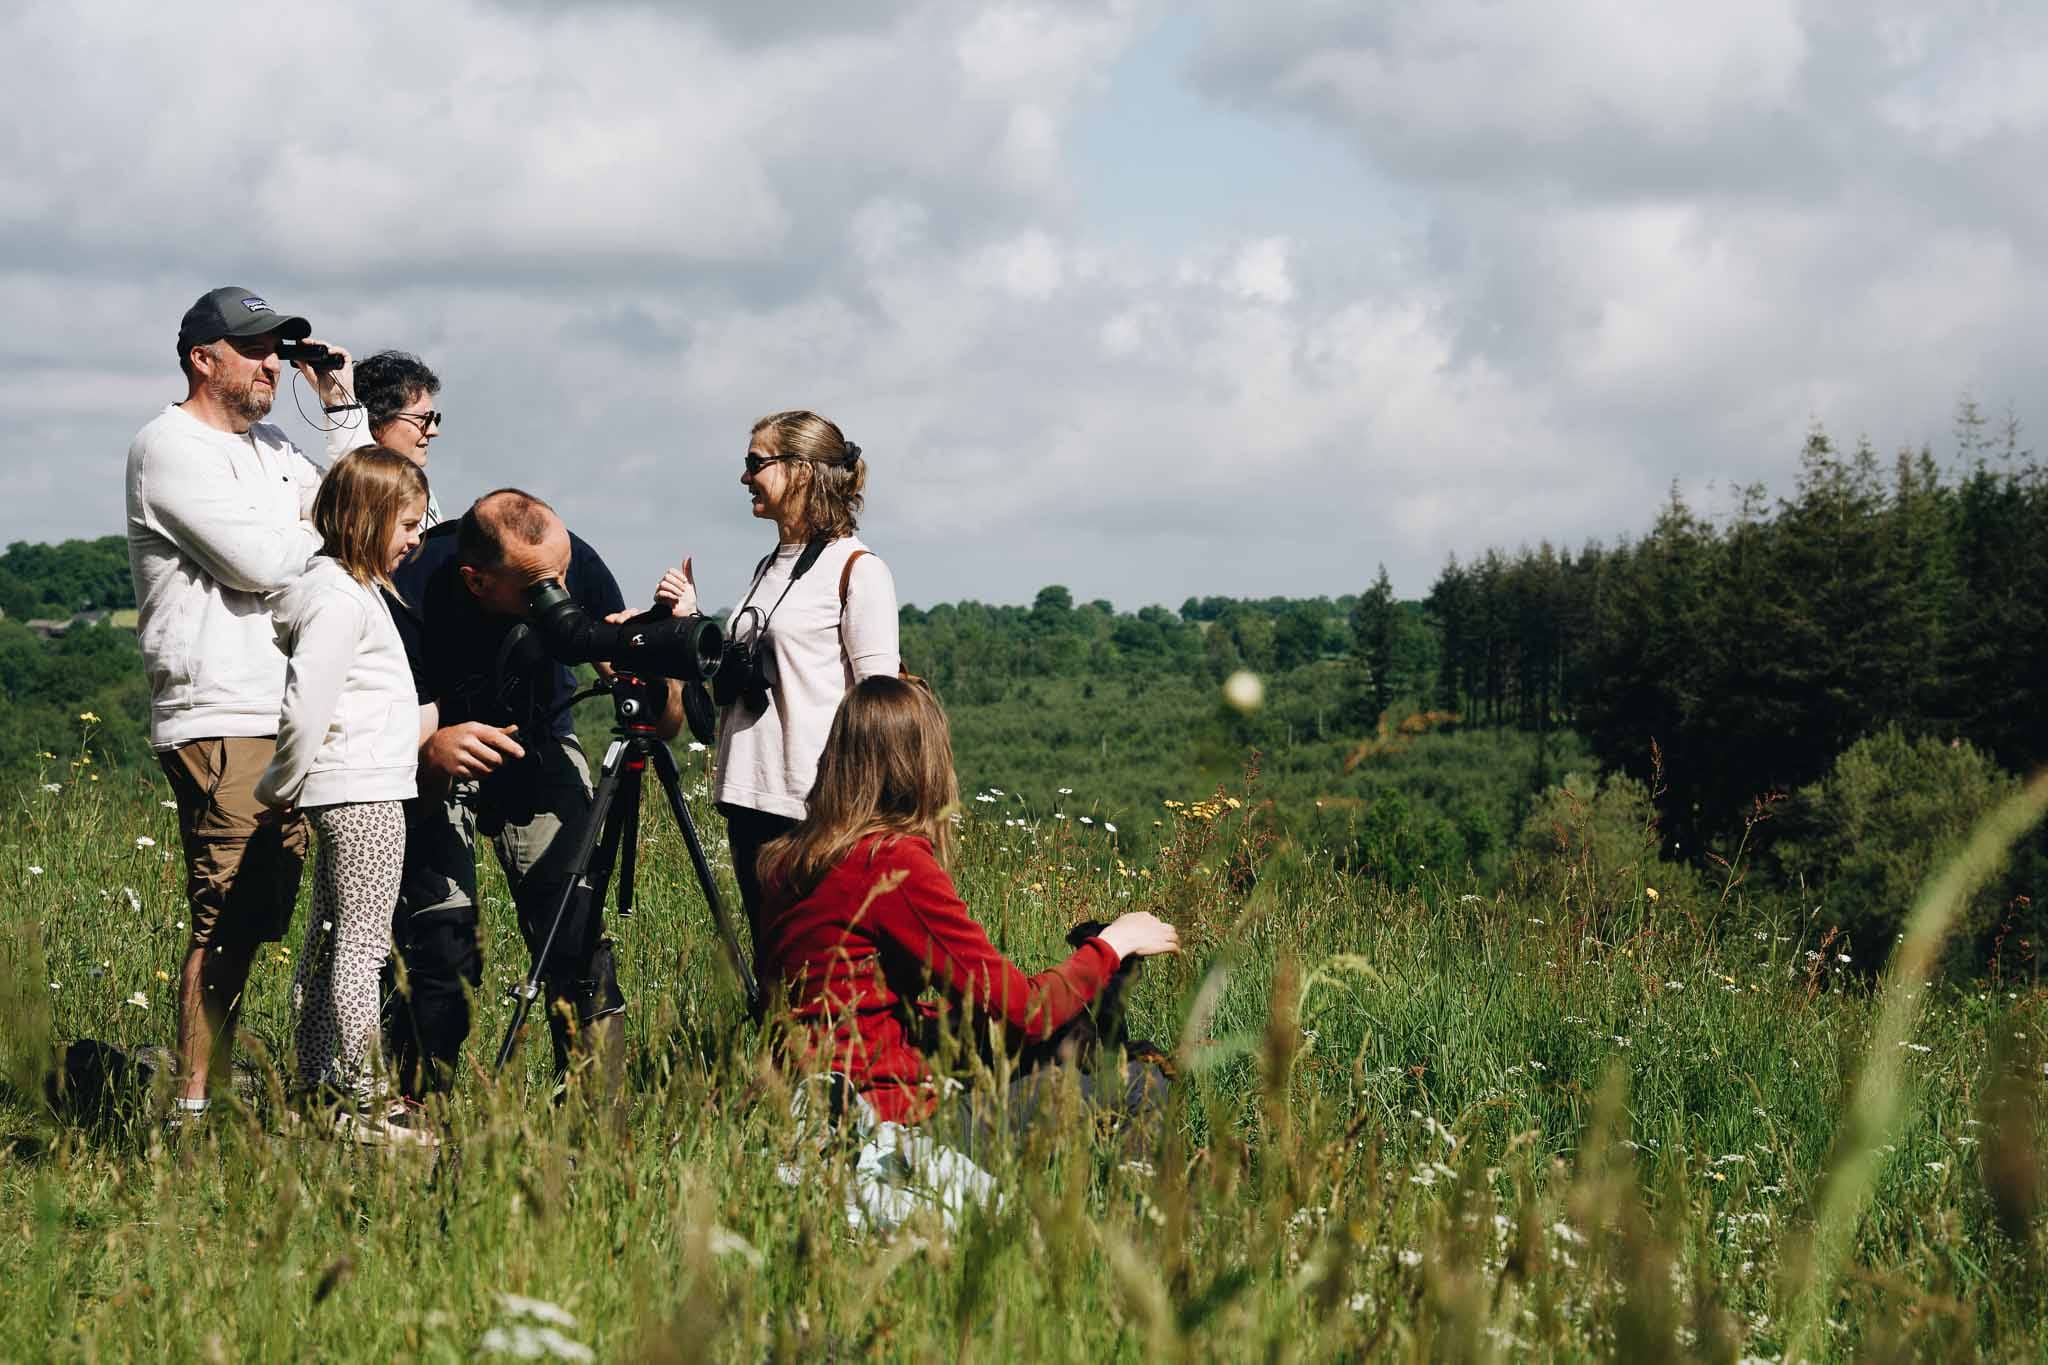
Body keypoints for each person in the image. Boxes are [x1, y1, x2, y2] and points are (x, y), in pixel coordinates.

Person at [758, 676, 1179, 1150]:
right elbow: (1026, 1012)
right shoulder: (891, 863)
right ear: (922, 766)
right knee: (1143, 1084)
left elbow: (839, 1001)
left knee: (1029, 1048)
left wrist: (951, 1020)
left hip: (807, 1102)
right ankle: (1136, 1197)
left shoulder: (790, 859)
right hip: (884, 1121)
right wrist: (1114, 944)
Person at [125, 285, 355, 1126]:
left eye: (277, 350)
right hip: (222, 710)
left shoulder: (280, 445)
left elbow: (377, 511)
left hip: (290, 705)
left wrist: (343, 414)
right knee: (225, 916)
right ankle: (192, 1109)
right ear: (202, 358)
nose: (273, 365)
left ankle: (225, 1090)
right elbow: (257, 561)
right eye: (255, 348)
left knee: (261, 912)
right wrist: (326, 532)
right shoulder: (167, 446)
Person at [382, 488, 685, 1109]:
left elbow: (662, 722)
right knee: (441, 945)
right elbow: (376, 729)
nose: (559, 595)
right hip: (430, 751)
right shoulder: (411, 586)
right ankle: (415, 1114)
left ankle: (596, 1121)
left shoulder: (569, 560)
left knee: (576, 937)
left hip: (540, 737)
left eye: (563, 576)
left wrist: (656, 656)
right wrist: (429, 751)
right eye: (537, 589)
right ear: (476, 579)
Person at [653, 410, 899, 963]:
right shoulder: (769, 565)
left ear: (802, 471)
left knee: (818, 966)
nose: (745, 477)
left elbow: (881, 704)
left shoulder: (858, 570)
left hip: (816, 805)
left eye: (755, 463)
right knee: (773, 965)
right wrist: (690, 621)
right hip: (751, 795)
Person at [253, 448, 433, 1145]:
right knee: (361, 948)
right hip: (364, 794)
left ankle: (315, 1083)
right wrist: (280, 785)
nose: (416, 539)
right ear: (367, 518)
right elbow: (306, 707)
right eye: (408, 525)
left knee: (330, 942)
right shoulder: (337, 599)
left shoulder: (348, 589)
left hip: (354, 788)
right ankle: (367, 1097)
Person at [320, 350, 447, 525]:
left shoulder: (422, 491)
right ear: (377, 423)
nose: (433, 431)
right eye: (422, 419)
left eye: (435, 419)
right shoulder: (349, 499)